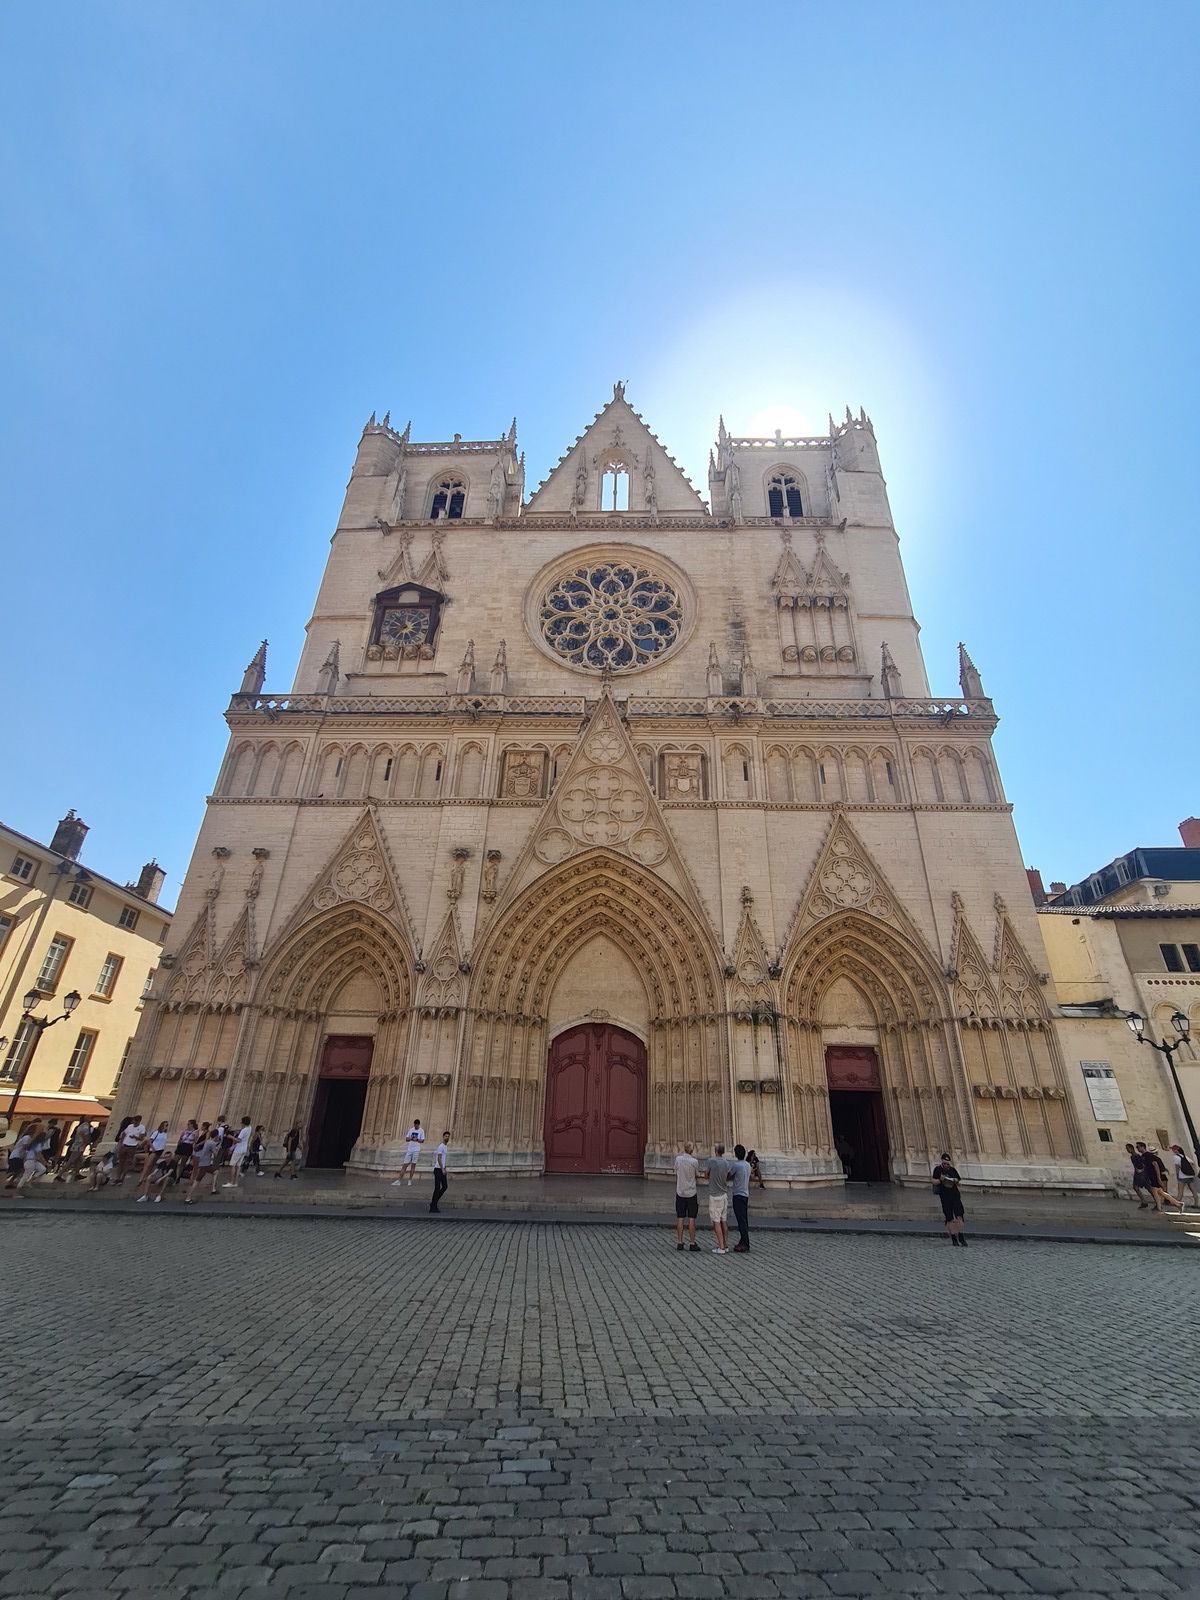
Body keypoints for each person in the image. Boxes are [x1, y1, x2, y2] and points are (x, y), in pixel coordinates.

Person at [701, 1143, 732, 1254]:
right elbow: (728, 1176)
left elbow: (705, 1175)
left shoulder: (711, 1161)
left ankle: (721, 1247)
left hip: (715, 1196)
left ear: (715, 1151)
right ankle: (726, 1244)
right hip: (724, 1195)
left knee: (716, 1221)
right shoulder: (726, 1163)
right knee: (724, 1221)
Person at [932, 1153, 967, 1245]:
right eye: (945, 1163)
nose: (946, 1165)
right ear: (942, 1162)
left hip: (955, 1195)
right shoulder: (938, 1170)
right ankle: (953, 1238)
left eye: (948, 1163)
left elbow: (959, 1181)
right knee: (949, 1218)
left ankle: (961, 1235)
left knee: (959, 1216)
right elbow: (933, 1181)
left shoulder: (952, 1170)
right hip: (945, 1197)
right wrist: (941, 1180)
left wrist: (956, 1181)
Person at [1136, 1142, 1182, 1212]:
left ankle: (1159, 1207)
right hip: (1151, 1176)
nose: (1137, 1149)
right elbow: (1147, 1167)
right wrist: (1141, 1171)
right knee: (1161, 1192)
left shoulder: (1148, 1155)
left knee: (1156, 1192)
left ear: (1143, 1147)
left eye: (1138, 1147)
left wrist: (1158, 1178)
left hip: (1154, 1176)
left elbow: (1156, 1165)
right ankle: (1178, 1204)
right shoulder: (1144, 1156)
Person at [673, 1142, 701, 1251]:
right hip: (691, 1193)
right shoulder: (694, 1162)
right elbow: (697, 1175)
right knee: (691, 1218)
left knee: (680, 1217)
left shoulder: (678, 1159)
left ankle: (679, 1242)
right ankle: (692, 1242)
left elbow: (675, 1170)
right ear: (692, 1150)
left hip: (680, 1192)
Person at [5, 1122, 46, 1194]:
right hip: (17, 1156)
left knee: (18, 1171)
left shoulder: (31, 1139)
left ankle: (10, 1183)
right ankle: (8, 1185)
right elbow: (25, 1148)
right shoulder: (27, 1138)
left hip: (22, 1157)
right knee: (13, 1171)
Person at [185, 1128, 222, 1204]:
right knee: (197, 1181)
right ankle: (188, 1197)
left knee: (216, 1171)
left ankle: (213, 1189)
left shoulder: (208, 1141)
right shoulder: (212, 1143)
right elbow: (215, 1154)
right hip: (205, 1164)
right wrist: (219, 1145)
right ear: (216, 1136)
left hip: (205, 1163)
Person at [135, 1123, 170, 1202]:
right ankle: (141, 1178)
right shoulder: (157, 1132)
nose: (166, 1126)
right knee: (148, 1164)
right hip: (154, 1150)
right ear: (162, 1126)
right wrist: (152, 1148)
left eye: (167, 1125)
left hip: (160, 1150)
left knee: (152, 1164)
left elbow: (163, 1142)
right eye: (165, 1125)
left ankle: (147, 1176)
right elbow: (149, 1140)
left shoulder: (165, 1134)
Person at [729, 1144, 752, 1253]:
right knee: (744, 1219)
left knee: (741, 1220)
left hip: (738, 1195)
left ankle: (745, 1244)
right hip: (745, 1194)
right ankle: (743, 1241)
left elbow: (729, 1175)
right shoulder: (748, 1165)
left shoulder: (736, 1165)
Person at [393, 1119, 425, 1186]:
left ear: (418, 1124)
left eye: (417, 1125)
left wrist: (417, 1139)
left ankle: (410, 1180)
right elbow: (406, 1139)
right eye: (415, 1124)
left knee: (413, 1165)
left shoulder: (421, 1131)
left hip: (416, 1150)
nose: (415, 1126)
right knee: (405, 1165)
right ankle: (399, 1180)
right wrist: (411, 1138)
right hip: (410, 1149)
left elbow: (422, 1140)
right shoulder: (411, 1130)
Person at [115, 1115, 147, 1182]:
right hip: (125, 1145)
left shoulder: (142, 1127)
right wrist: (121, 1142)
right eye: (133, 1121)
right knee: (121, 1161)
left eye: (135, 1121)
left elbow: (141, 1138)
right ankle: (117, 1178)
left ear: (139, 1121)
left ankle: (122, 1178)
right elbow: (124, 1133)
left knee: (128, 1162)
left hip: (132, 1146)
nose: (134, 1123)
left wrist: (135, 1137)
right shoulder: (130, 1126)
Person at [223, 1118, 253, 1187]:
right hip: (244, 1149)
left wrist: (231, 1137)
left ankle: (231, 1182)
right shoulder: (249, 1128)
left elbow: (238, 1140)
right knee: (238, 1166)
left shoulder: (243, 1130)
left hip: (238, 1149)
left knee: (232, 1165)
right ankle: (235, 1182)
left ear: (243, 1123)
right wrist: (236, 1131)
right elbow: (242, 1131)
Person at [1169, 1143, 1200, 1210]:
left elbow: (1177, 1167)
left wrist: (1177, 1175)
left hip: (1182, 1176)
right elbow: (1192, 1163)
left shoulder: (1176, 1157)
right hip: (1189, 1175)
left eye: (1173, 1149)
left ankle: (1177, 1203)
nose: (1172, 1151)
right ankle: (1196, 1204)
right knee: (1193, 1190)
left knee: (1180, 1191)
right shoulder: (1184, 1156)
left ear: (1176, 1150)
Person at [1126, 1142, 1156, 1208]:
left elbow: (1143, 1164)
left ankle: (1155, 1201)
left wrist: (1141, 1170)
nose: (1127, 1150)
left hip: (1142, 1175)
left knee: (1147, 1188)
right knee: (1140, 1187)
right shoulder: (1132, 1156)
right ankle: (1144, 1201)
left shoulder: (1137, 1156)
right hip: (1138, 1174)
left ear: (1131, 1148)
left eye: (1128, 1148)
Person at [429, 1132, 450, 1212]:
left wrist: (445, 1168)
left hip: (442, 1169)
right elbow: (439, 1158)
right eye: (446, 1136)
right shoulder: (441, 1146)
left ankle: (433, 1203)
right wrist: (442, 1169)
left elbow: (444, 1159)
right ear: (443, 1137)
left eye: (448, 1136)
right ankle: (433, 1207)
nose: (447, 1138)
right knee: (437, 1188)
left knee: (445, 1186)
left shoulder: (445, 1146)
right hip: (438, 1169)